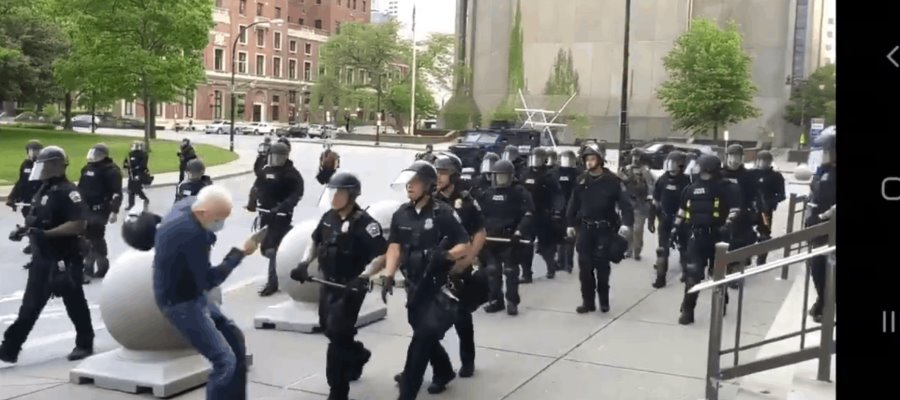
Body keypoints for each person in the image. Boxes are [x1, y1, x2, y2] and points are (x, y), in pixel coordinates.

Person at [153, 185, 259, 399]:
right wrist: (239, 254)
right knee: (225, 362)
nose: (221, 225)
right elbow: (209, 280)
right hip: (180, 303)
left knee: (233, 337)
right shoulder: (191, 235)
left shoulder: (188, 205)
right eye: (219, 219)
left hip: (191, 292)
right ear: (203, 213)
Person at [289, 173, 388, 400]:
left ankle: (338, 389)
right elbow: (315, 241)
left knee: (337, 334)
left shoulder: (366, 224)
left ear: (352, 196)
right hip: (328, 282)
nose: (334, 197)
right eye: (332, 192)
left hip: (351, 286)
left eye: (339, 193)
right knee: (328, 327)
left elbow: (381, 254)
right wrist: (304, 263)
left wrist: (363, 276)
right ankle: (358, 354)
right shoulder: (328, 217)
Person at [380, 161, 470, 400]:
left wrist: (446, 255)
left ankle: (408, 391)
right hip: (413, 285)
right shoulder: (401, 214)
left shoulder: (444, 213)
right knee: (422, 331)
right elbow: (395, 247)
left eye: (415, 182)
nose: (409, 187)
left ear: (429, 186)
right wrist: (388, 274)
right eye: (408, 183)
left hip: (437, 287)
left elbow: (465, 244)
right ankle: (443, 371)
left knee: (421, 340)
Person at [0, 146, 94, 364]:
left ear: (56, 166)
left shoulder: (68, 192)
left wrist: (47, 234)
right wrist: (24, 231)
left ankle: (84, 343)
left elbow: (79, 224)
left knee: (74, 302)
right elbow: (37, 220)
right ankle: (9, 348)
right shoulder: (43, 190)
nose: (40, 169)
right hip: (42, 257)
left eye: (44, 165)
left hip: (64, 257)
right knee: (30, 305)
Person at [433, 153, 486, 377]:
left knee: (462, 318)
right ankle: (424, 368)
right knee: (428, 323)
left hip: (460, 267)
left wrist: (464, 263)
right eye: (436, 173)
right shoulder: (431, 199)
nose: (438, 177)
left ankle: (467, 361)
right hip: (436, 265)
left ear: (453, 175)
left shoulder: (465, 200)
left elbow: (480, 233)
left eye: (443, 173)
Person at [673, 154, 740, 325]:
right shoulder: (690, 189)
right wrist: (675, 228)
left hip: (719, 237)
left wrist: (729, 224)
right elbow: (682, 211)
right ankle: (688, 310)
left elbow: (735, 209)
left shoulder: (727, 187)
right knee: (693, 275)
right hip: (697, 237)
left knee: (718, 274)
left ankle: (721, 302)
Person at [565, 146, 634, 314]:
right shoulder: (582, 180)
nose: (589, 162)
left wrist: (626, 223)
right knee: (585, 268)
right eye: (587, 159)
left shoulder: (612, 181)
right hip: (586, 229)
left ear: (600, 160)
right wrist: (569, 224)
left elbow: (626, 205)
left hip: (605, 229)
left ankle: (604, 301)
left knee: (602, 268)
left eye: (593, 159)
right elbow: (573, 204)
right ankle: (587, 302)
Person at [477, 159, 534, 315]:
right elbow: (479, 215)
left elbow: (528, 214)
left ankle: (512, 301)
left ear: (511, 176)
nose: (500, 180)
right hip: (492, 239)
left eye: (504, 176)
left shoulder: (519, 192)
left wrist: (519, 232)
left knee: (510, 271)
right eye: (498, 176)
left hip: (510, 239)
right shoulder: (487, 194)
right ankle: (496, 300)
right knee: (492, 271)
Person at [247, 142, 304, 296]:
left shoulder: (291, 174)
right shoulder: (266, 170)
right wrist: (251, 201)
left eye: (279, 157)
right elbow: (257, 186)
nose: (276, 160)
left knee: (272, 250)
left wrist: (282, 207)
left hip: (280, 217)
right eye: (273, 156)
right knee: (265, 249)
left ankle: (272, 283)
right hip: (265, 214)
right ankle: (286, 261)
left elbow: (296, 194)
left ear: (285, 157)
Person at [78, 143, 123, 281]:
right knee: (85, 236)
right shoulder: (86, 169)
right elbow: (80, 188)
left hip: (100, 209)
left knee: (95, 237)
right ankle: (91, 267)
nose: (93, 157)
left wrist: (114, 211)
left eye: (96, 154)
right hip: (85, 208)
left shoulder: (112, 171)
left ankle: (98, 266)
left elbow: (116, 193)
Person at [518, 148, 565, 280]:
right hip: (527, 214)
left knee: (546, 245)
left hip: (543, 213)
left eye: (538, 158)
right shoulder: (524, 173)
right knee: (525, 244)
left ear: (544, 160)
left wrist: (557, 210)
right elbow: (518, 191)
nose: (535, 161)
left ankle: (551, 268)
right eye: (533, 158)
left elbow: (557, 195)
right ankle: (526, 274)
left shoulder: (549, 175)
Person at [805, 134, 836, 323]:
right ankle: (823, 300)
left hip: (830, 228)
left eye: (826, 151)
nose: (823, 155)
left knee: (827, 268)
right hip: (817, 226)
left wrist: (828, 215)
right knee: (816, 267)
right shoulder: (822, 171)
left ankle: (826, 305)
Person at [651, 151, 692, 288]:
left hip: (683, 220)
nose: (671, 166)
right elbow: (655, 201)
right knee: (662, 249)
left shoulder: (687, 181)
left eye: (674, 163)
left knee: (684, 248)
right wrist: (651, 219)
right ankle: (660, 278)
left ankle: (686, 273)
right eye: (669, 163)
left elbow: (691, 202)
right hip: (666, 219)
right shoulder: (662, 180)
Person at [721, 144, 759, 288]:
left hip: (742, 215)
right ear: (727, 157)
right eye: (732, 156)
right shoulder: (720, 173)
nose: (734, 160)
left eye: (737, 157)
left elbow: (753, 196)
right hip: (722, 213)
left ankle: (735, 271)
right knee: (723, 242)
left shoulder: (748, 176)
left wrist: (753, 211)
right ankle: (721, 267)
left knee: (739, 242)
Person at [6, 140, 43, 254]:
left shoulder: (44, 165)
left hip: (40, 200)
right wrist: (12, 197)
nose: (33, 155)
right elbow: (21, 182)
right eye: (31, 152)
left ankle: (38, 245)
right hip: (27, 200)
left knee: (40, 223)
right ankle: (33, 243)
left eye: (36, 152)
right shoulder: (25, 164)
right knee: (29, 221)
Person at [618, 148, 655, 260]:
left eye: (637, 156)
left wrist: (650, 197)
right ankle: (628, 250)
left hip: (640, 202)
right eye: (634, 155)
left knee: (637, 230)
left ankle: (637, 251)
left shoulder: (645, 171)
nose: (635, 158)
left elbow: (650, 185)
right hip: (628, 202)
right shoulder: (625, 170)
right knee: (627, 229)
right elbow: (619, 185)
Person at [752, 150, 786, 266]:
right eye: (760, 160)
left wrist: (770, 202)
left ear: (770, 162)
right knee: (746, 232)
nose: (762, 163)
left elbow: (782, 195)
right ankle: (745, 257)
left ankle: (761, 260)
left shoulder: (776, 176)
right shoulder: (751, 174)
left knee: (765, 234)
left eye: (765, 161)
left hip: (765, 211)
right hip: (751, 209)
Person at [554, 150, 579, 273]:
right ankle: (559, 262)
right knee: (559, 236)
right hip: (559, 208)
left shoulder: (577, 174)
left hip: (572, 208)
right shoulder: (556, 173)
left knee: (570, 236)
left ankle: (568, 263)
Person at [123, 141, 151, 211]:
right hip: (131, 174)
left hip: (140, 174)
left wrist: (136, 168)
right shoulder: (130, 154)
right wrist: (126, 165)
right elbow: (126, 163)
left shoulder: (144, 155)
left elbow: (143, 165)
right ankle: (132, 204)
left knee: (135, 188)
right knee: (131, 189)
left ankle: (143, 199)